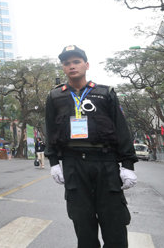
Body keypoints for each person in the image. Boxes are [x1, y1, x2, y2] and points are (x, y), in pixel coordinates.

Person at [45, 45, 138, 248]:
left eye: (76, 61)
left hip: (105, 162)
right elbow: (50, 130)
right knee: (82, 223)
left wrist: (128, 165)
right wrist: (53, 162)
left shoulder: (105, 94)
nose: (72, 66)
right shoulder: (55, 97)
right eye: (67, 63)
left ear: (86, 65)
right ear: (63, 68)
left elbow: (121, 130)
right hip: (73, 164)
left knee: (114, 223)